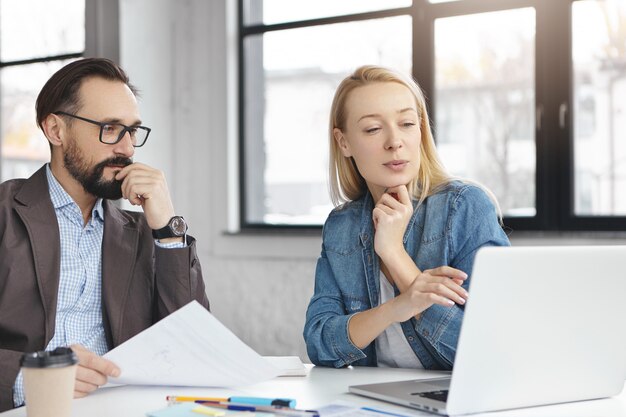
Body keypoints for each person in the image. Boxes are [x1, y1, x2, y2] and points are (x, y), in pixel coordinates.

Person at [0, 58, 209, 411]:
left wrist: (167, 228)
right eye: (110, 128)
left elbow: (191, 341)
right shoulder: (5, 213)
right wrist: (35, 377)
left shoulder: (143, 232)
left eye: (132, 131)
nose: (127, 149)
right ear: (55, 130)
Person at [303, 65, 510, 370]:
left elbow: (492, 351)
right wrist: (396, 308)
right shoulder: (341, 227)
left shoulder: (464, 207)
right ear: (343, 142)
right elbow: (320, 344)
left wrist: (394, 253)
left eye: (407, 123)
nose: (395, 141)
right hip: (377, 400)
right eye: (373, 129)